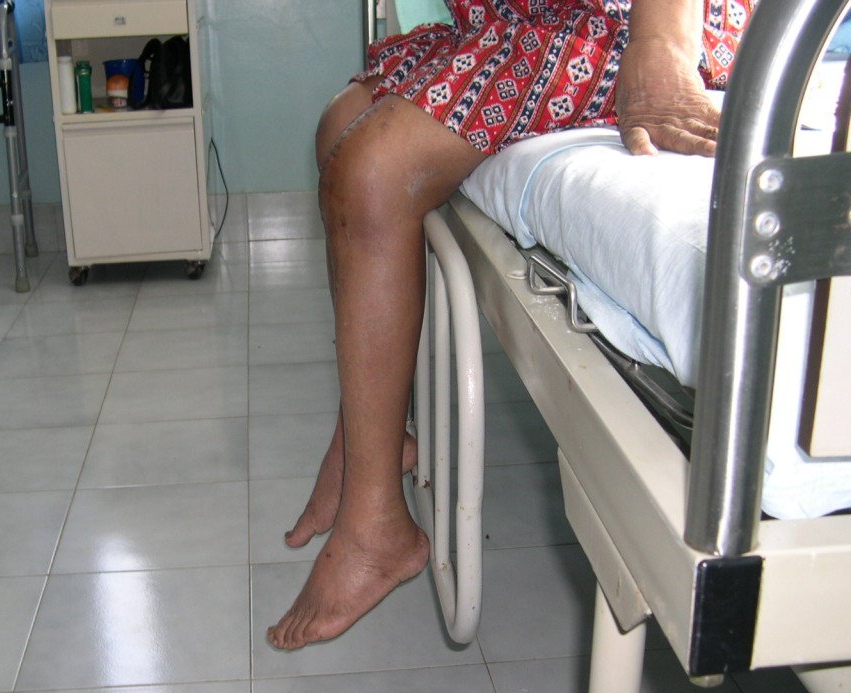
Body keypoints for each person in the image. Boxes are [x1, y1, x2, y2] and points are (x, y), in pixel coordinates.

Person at [267, 0, 754, 650]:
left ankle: (376, 526)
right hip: (513, 25)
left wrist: (662, 44)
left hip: (614, 26)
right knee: (339, 122)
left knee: (372, 172)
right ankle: (364, 446)